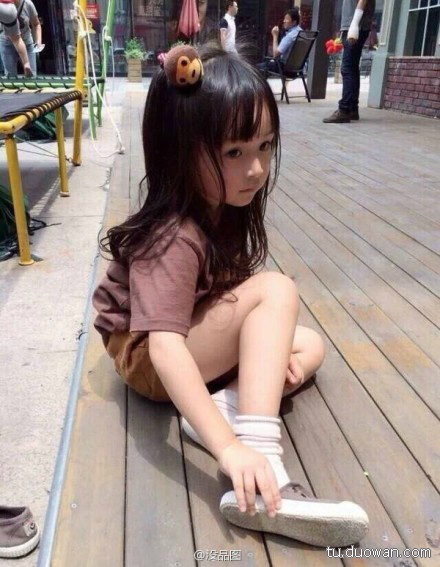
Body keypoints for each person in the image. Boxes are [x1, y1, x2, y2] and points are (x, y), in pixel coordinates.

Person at [92, 43, 369, 547]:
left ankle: (222, 408)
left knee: (308, 346)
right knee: (276, 291)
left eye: (265, 146)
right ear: (181, 150)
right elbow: (164, 347)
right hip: (149, 356)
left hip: (184, 334)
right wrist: (230, 451)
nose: (257, 168)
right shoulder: (172, 235)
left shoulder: (223, 206)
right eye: (234, 153)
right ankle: (264, 464)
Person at [323, 0, 376, 123]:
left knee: (347, 69)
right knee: (352, 68)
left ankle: (344, 110)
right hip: (355, 25)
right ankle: (352, 109)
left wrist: (354, 24)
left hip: (356, 26)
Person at [0, 0, 42, 77]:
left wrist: (38, 41)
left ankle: (27, 65)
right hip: (7, 43)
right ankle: (26, 64)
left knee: (32, 75)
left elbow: (36, 24)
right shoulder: (3, 5)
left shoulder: (28, 4)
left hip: (27, 42)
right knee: (10, 76)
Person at [257, 8, 302, 77]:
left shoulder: (290, 36)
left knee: (256, 68)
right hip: (296, 68)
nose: (284, 21)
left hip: (284, 68)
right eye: (284, 18)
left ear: (294, 22)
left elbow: (275, 54)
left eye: (287, 19)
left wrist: (275, 36)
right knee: (267, 65)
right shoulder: (300, 32)